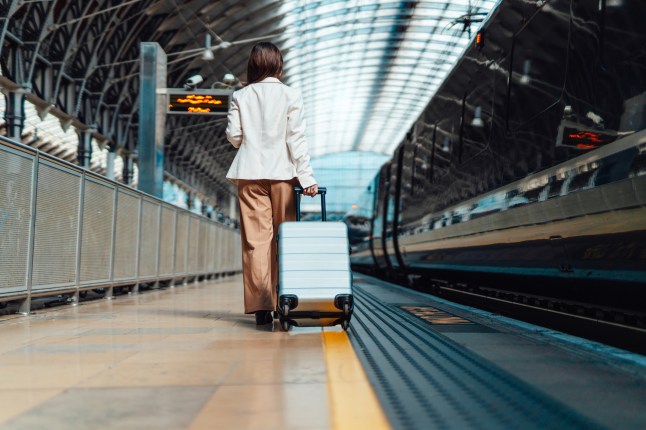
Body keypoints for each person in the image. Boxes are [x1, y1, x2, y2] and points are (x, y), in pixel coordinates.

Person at [225, 42, 318, 325]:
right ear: (279, 64)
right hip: (283, 176)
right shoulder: (291, 95)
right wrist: (307, 178)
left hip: (250, 174)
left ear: (253, 66)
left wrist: (251, 142)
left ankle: (261, 307)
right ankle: (284, 300)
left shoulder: (240, 95)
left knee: (256, 243)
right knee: (284, 239)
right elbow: (296, 139)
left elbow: (234, 136)